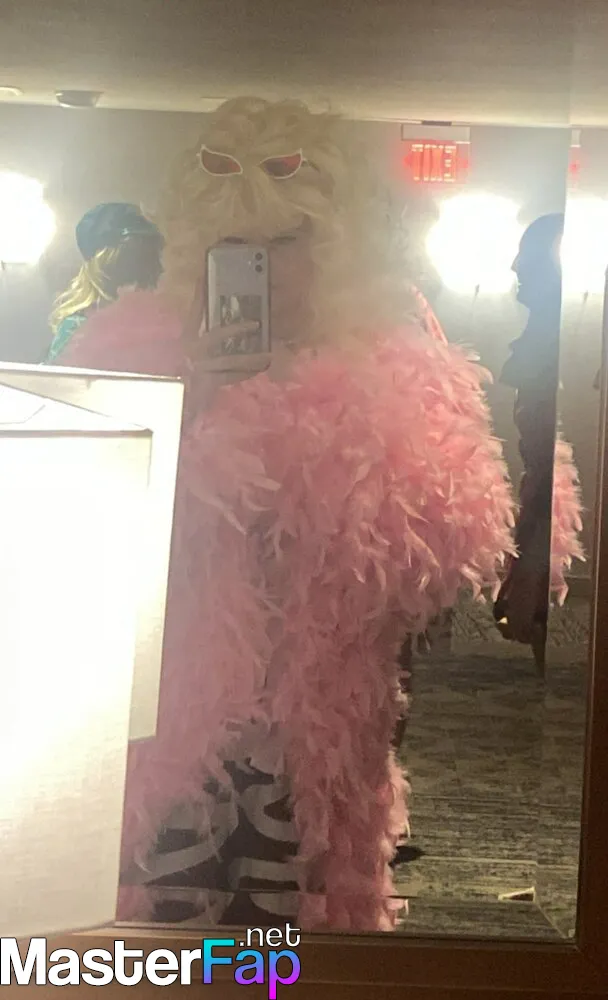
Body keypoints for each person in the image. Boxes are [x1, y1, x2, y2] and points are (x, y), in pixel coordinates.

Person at [48, 97, 565, 932]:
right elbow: (67, 534)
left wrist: (319, 451)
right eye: (235, 242)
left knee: (293, 959)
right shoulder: (127, 354)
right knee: (154, 949)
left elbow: (447, 556)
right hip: (163, 732)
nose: (260, 264)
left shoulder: (391, 371)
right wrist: (193, 407)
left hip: (313, 737)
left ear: (333, 246)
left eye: (285, 241)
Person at [493, 214, 584, 666]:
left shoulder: (563, 355)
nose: (514, 267)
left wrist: (529, 572)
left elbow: (551, 473)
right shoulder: (544, 348)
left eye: (526, 256)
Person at [46, 202, 164, 362]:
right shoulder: (77, 330)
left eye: (148, 260)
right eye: (130, 263)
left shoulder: (161, 327)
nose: (136, 281)